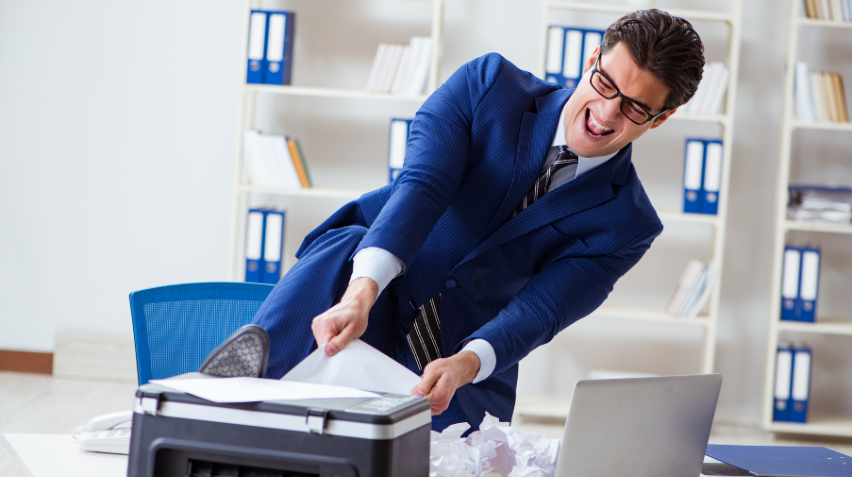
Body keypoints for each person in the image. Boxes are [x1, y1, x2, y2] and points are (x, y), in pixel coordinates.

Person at [199, 8, 705, 432]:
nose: (605, 113)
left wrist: (466, 365)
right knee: (347, 245)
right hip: (364, 294)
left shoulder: (627, 223)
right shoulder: (489, 86)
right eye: (604, 84)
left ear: (660, 119)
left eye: (635, 108)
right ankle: (236, 392)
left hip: (455, 364)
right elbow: (424, 184)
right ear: (593, 58)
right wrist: (361, 294)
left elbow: (542, 310)